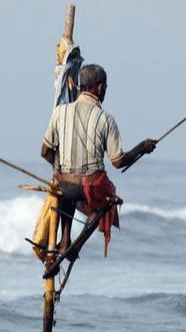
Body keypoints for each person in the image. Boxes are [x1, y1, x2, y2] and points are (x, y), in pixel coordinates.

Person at [41, 63, 156, 259]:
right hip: (91, 189)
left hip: (66, 186)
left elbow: (45, 151)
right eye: (105, 88)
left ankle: (64, 241)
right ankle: (75, 246)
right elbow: (118, 161)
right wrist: (141, 149)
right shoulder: (105, 120)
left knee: (65, 190)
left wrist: (58, 170)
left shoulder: (60, 112)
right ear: (100, 87)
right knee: (107, 202)